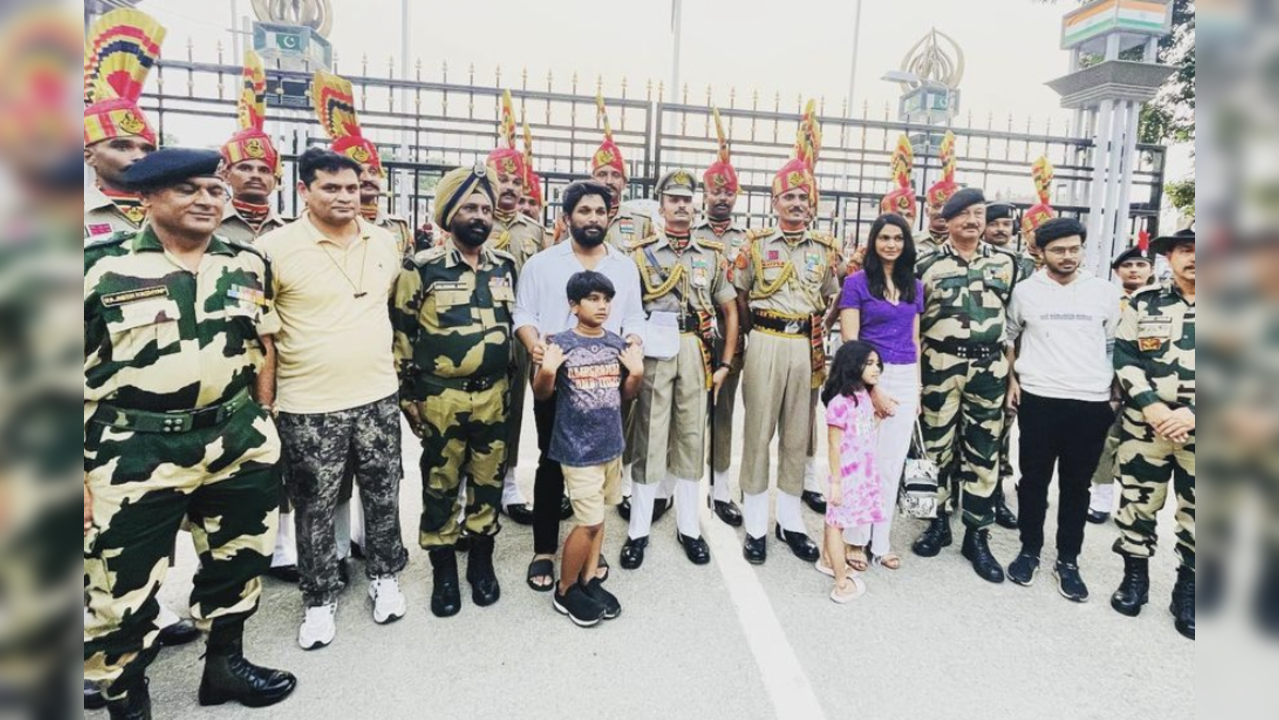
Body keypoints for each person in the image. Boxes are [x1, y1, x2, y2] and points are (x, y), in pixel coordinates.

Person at [84, 149, 297, 718]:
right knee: (119, 593)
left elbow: (264, 344)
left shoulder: (246, 263)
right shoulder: (96, 267)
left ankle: (224, 668)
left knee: (238, 561)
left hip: (235, 438)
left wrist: (263, 414)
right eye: (188, 190)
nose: (206, 200)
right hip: (132, 449)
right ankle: (129, 703)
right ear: (147, 198)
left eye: (213, 190)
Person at [81, 4, 202, 657]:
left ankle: (149, 615)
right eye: (119, 145)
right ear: (86, 149)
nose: (132, 156)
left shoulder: (163, 214)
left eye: (141, 146)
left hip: (159, 402)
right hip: (96, 408)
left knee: (143, 529)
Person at [256, 148, 410, 651]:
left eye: (352, 188)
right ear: (304, 191)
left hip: (377, 396)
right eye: (331, 188)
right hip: (307, 404)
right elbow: (264, 337)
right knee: (314, 506)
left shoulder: (384, 240)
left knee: (384, 492)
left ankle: (385, 576)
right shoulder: (274, 249)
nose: (346, 197)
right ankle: (319, 599)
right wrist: (268, 403)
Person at [393, 164, 516, 617]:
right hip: (441, 397)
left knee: (488, 482)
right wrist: (409, 398)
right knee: (441, 483)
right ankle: (444, 569)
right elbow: (401, 336)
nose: (480, 215)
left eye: (486, 207)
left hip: (494, 395)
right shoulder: (420, 268)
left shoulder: (505, 266)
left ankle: (480, 562)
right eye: (469, 207)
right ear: (448, 213)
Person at [514, 181, 646, 592]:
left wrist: (635, 345)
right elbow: (523, 311)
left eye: (600, 211)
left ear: (611, 216)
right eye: (584, 211)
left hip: (605, 381)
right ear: (566, 217)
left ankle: (589, 540)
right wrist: (535, 344)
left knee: (602, 460)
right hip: (557, 378)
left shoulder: (624, 266)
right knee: (551, 461)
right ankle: (544, 549)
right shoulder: (542, 264)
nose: (592, 218)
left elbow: (635, 317)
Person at [733, 115, 841, 566]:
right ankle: (756, 523)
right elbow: (738, 294)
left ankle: (791, 521)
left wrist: (820, 324)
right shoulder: (756, 245)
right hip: (765, 340)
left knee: (798, 434)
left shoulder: (824, 248)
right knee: (759, 432)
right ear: (775, 202)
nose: (796, 204)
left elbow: (833, 296)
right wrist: (752, 332)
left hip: (805, 346)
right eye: (788, 197)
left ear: (811, 203)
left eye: (803, 197)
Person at [623, 170, 739, 569]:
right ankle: (638, 529)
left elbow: (728, 308)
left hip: (696, 347)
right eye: (673, 199)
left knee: (692, 436)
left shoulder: (711, 254)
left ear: (695, 205)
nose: (681, 205)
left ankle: (689, 526)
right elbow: (630, 308)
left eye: (687, 199)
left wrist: (725, 361)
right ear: (661, 206)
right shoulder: (641, 254)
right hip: (656, 345)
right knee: (650, 434)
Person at [1004, 218, 1123, 602]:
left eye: (1074, 248)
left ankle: (1068, 560)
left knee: (1077, 486)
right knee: (1033, 481)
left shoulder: (1104, 292)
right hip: (1039, 398)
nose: (1068, 256)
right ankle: (1029, 550)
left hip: (1091, 402)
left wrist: (1114, 395)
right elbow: (1009, 336)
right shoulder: (1025, 291)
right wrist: (1012, 381)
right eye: (1059, 250)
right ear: (1041, 252)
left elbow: (1113, 345)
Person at [911, 188, 1022, 584]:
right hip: (939, 363)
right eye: (964, 215)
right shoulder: (924, 264)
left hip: (990, 367)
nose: (973, 221)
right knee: (929, 450)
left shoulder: (1009, 264)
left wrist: (1013, 378)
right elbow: (911, 323)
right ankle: (933, 523)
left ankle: (978, 535)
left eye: (979, 214)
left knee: (984, 449)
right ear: (949, 220)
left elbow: (1015, 326)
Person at [532, 272, 645, 627]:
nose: (602, 306)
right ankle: (565, 590)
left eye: (606, 299)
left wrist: (636, 375)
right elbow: (541, 394)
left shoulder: (616, 344)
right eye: (593, 299)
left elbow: (626, 395)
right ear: (573, 305)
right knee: (589, 522)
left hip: (610, 446)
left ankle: (589, 578)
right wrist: (547, 370)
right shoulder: (559, 344)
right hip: (577, 451)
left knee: (601, 521)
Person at [1110, 226, 1197, 640]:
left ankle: (1190, 589)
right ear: (1170, 257)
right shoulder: (1146, 302)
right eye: (1185, 250)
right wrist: (1152, 405)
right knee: (1138, 502)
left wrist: (1194, 413)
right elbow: (1124, 355)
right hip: (1146, 424)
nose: (1195, 257)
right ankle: (1134, 578)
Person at [838, 213, 924, 572]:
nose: (891, 244)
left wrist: (917, 389)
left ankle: (881, 541)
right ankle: (855, 540)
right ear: (873, 242)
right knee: (863, 462)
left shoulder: (914, 286)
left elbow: (915, 340)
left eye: (898, 238)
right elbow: (850, 340)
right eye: (884, 238)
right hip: (867, 376)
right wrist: (872, 389)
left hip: (905, 377)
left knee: (890, 465)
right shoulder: (856, 283)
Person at [485, 93, 546, 525]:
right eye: (501, 181)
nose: (509, 189)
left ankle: (507, 484)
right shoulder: (473, 221)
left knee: (514, 409)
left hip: (522, 333)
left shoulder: (534, 230)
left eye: (516, 184)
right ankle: (475, 486)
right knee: (478, 408)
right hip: (478, 329)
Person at [696, 110, 748, 527]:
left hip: (731, 338)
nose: (721, 198)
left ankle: (720, 487)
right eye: (715, 192)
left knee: (724, 412)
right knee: (683, 409)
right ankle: (666, 489)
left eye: (728, 192)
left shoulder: (748, 240)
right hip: (690, 337)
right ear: (704, 194)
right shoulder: (688, 235)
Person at [1088, 244, 1156, 524]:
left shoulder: (1159, 301)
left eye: (1140, 265)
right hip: (1110, 380)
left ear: (1150, 270)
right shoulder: (1105, 299)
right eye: (1128, 266)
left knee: (1142, 448)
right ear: (1117, 271)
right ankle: (1100, 501)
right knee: (1105, 442)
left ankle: (1133, 506)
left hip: (1150, 385)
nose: (1134, 270)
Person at [312, 70, 413, 257]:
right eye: (359, 172)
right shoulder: (316, 223)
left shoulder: (398, 228)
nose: (367, 178)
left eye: (373, 171)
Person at [82, 8, 163, 240]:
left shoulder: (176, 213)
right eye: (121, 146)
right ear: (89, 156)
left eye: (147, 148)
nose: (138, 156)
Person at [819, 342, 885, 603]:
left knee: (834, 521)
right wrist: (836, 482)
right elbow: (834, 444)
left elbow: (863, 432)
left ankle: (827, 560)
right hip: (846, 476)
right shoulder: (839, 403)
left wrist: (880, 419)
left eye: (877, 363)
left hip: (862, 474)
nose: (876, 368)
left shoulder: (864, 397)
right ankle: (841, 581)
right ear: (852, 364)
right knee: (837, 525)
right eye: (869, 363)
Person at [984, 201, 1028, 532]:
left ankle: (996, 495)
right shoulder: (981, 263)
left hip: (1018, 360)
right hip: (982, 358)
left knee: (1002, 431)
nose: (1001, 229)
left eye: (1006, 224)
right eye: (994, 223)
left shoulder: (1025, 268)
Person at [218, 51, 290, 246]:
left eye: (264, 170)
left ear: (275, 179)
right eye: (245, 168)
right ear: (225, 174)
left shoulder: (290, 233)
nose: (256, 175)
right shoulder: (208, 225)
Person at [591, 94, 652, 251]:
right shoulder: (578, 218)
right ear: (592, 179)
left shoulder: (642, 223)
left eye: (616, 175)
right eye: (602, 174)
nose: (609, 181)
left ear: (625, 182)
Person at [920, 131, 959, 254]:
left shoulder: (964, 243)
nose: (942, 211)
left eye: (948, 206)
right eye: (937, 206)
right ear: (927, 211)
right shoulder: (911, 242)